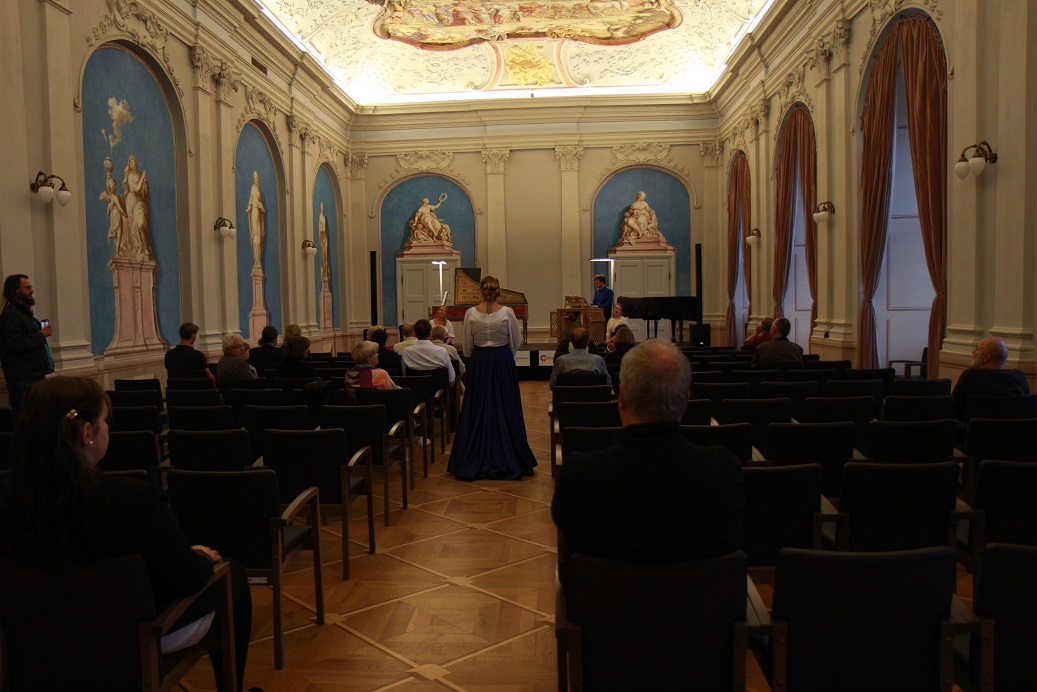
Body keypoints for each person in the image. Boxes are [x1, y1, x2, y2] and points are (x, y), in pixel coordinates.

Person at [0, 376, 254, 690]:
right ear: (86, 432)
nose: (108, 429)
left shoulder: (7, 500)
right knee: (233, 574)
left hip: (32, 642)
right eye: (105, 421)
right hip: (130, 639)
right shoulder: (134, 499)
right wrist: (199, 557)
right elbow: (185, 578)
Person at [551, 339, 744, 583]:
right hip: (702, 604)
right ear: (686, 398)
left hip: (603, 602)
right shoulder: (723, 471)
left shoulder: (580, 473)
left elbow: (568, 536)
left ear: (621, 397)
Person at [447, 275, 537, 480]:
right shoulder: (507, 313)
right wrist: (503, 355)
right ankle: (509, 454)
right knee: (505, 403)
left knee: (478, 404)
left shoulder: (470, 313)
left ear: (481, 291)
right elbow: (515, 341)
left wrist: (479, 356)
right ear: (498, 292)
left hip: (479, 361)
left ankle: (474, 454)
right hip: (502, 360)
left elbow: (467, 346)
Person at [0, 274, 54, 415]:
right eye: (28, 287)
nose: (32, 290)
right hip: (23, 378)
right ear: (16, 291)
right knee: (26, 416)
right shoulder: (11, 315)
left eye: (31, 287)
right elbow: (15, 343)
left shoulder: (24, 313)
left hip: (34, 375)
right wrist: (41, 334)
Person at [952, 337, 1031, 419]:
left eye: (977, 349)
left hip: (976, 427)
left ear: (986, 357)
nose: (973, 352)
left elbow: (953, 408)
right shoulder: (1019, 377)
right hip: (1013, 427)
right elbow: (1026, 408)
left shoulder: (970, 376)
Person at [122, 155, 154, 261]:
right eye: (130, 162)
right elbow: (135, 189)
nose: (132, 163)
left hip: (140, 204)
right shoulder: (130, 176)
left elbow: (146, 193)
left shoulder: (140, 174)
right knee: (133, 227)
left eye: (133, 161)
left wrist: (145, 184)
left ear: (136, 163)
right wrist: (142, 179)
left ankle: (145, 247)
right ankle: (139, 248)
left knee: (140, 224)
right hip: (131, 205)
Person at [246, 170, 265, 271]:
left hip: (258, 212)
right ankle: (256, 261)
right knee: (255, 237)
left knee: (259, 238)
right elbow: (251, 200)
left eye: (257, 177)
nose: (256, 179)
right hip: (254, 211)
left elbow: (259, 202)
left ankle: (258, 262)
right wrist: (249, 208)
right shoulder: (253, 188)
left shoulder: (257, 189)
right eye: (255, 177)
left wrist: (261, 207)